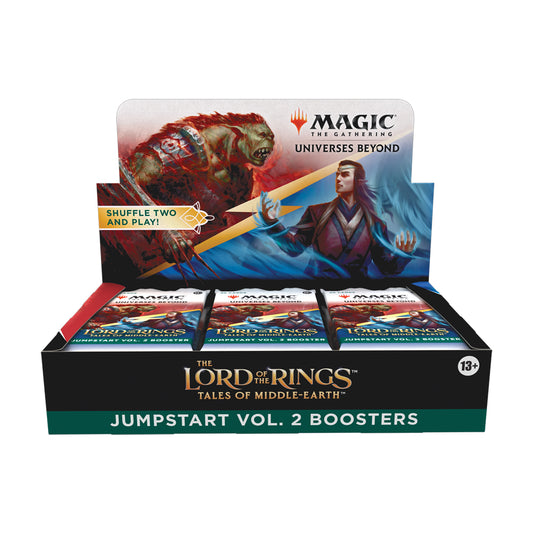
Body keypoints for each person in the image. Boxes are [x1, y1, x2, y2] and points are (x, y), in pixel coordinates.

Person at [259, 160, 416, 279]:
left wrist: (403, 254)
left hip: (356, 292)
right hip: (316, 286)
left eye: (345, 175)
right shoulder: (316, 212)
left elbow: (386, 268)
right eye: (337, 174)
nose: (338, 178)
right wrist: (272, 222)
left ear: (358, 181)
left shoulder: (375, 223)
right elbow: (294, 249)